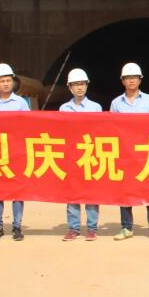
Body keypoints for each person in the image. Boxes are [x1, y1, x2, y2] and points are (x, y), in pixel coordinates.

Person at [110, 62, 149, 241]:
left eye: (134, 77)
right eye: (128, 78)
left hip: (146, 152)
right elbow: (111, 128)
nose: (131, 80)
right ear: (122, 81)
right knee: (125, 191)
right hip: (124, 153)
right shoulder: (116, 103)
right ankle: (126, 227)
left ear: (140, 80)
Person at [0, 63, 30, 242]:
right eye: (2, 81)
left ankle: (17, 226)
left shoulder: (21, 103)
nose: (5, 84)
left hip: (16, 153)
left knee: (17, 191)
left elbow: (29, 126)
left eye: (8, 80)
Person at [59, 68, 102, 242]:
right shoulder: (64, 109)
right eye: (76, 84)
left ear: (87, 86)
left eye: (82, 84)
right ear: (70, 87)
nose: (79, 87)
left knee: (91, 193)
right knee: (72, 193)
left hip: (90, 153)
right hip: (71, 155)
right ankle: (73, 228)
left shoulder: (95, 108)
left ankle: (91, 229)